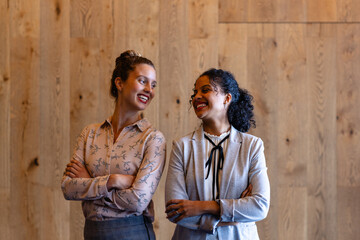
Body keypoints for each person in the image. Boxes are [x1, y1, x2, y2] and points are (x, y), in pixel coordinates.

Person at [61, 50, 166, 240]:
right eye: (143, 81)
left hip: (133, 233)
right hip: (92, 233)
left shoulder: (153, 139)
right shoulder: (89, 133)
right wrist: (113, 181)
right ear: (119, 83)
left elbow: (138, 202)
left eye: (153, 85)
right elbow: (68, 188)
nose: (150, 90)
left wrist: (90, 184)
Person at [165, 68, 270, 239]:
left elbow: (259, 206)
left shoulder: (252, 146)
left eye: (205, 90)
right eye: (195, 92)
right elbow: (175, 211)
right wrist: (235, 213)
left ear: (227, 98)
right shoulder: (181, 147)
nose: (196, 96)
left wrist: (202, 206)